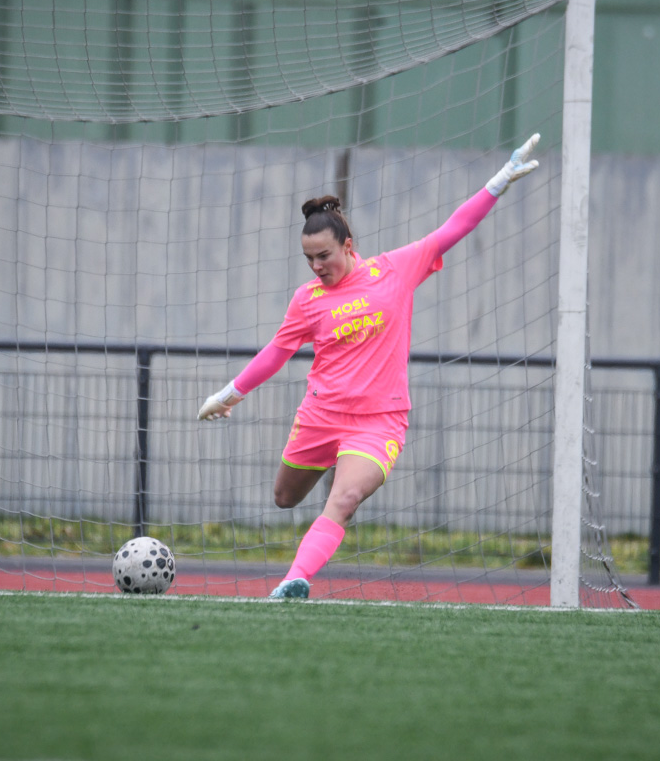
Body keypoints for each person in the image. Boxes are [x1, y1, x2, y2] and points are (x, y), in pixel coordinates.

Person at [198, 135, 541, 598]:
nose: (317, 267)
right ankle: (315, 519)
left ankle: (293, 581)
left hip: (379, 422)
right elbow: (276, 352)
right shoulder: (307, 300)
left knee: (344, 498)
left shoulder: (394, 271)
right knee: (285, 497)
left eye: (325, 256)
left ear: (348, 246)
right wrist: (228, 394)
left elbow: (452, 228)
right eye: (309, 259)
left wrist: (497, 183)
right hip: (320, 416)